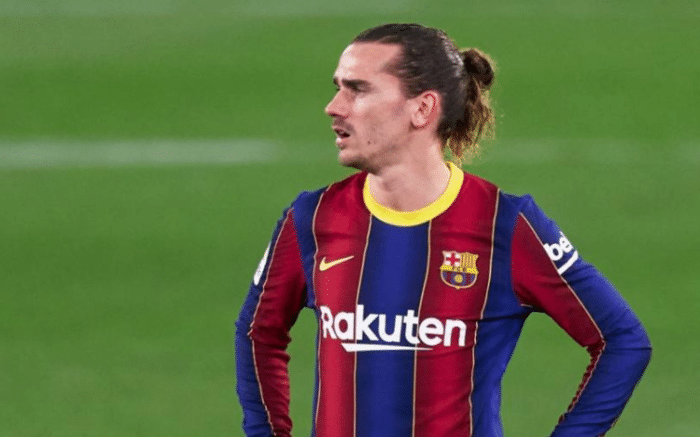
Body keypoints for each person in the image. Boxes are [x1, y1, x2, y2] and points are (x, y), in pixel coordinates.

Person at [235, 23, 651, 437]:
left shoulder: (505, 224)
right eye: (338, 87)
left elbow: (622, 340)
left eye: (357, 89)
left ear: (422, 108)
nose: (334, 106)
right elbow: (258, 333)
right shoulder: (312, 218)